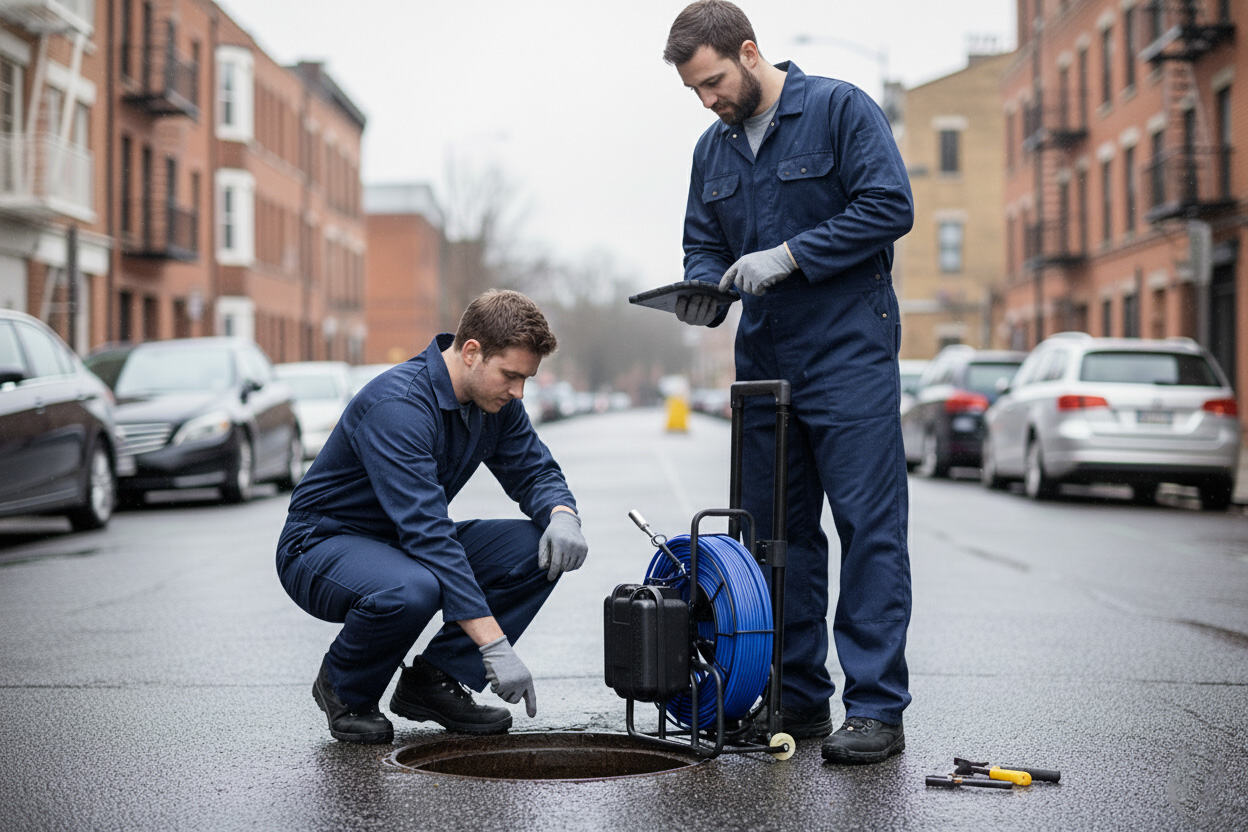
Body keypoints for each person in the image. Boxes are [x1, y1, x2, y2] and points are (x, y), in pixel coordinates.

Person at [663, 1, 914, 765]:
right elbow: (702, 242)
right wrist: (704, 290)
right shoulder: (713, 151)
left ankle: (875, 708)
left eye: (712, 82)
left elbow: (889, 206)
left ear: (747, 51)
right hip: (765, 364)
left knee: (868, 530)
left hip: (848, 353)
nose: (707, 101)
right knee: (776, 539)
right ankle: (797, 696)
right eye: (695, 92)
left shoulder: (839, 110)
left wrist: (792, 255)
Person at [275, 289, 588, 744]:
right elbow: (430, 536)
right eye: (511, 376)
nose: (518, 391)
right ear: (472, 352)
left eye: (526, 379)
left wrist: (562, 515)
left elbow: (534, 469)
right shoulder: (399, 407)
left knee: (535, 550)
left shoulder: (494, 403)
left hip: (402, 543)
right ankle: (345, 689)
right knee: (410, 589)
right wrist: (493, 645)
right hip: (321, 546)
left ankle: (433, 682)